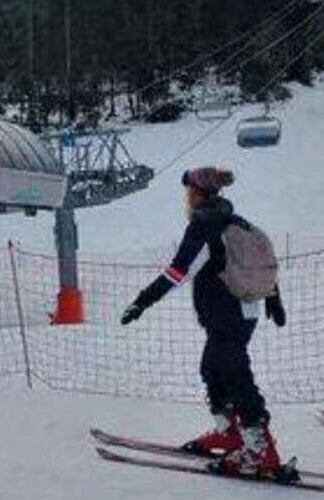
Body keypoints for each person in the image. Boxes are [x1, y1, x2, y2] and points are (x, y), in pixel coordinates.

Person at [119, 167, 288, 476]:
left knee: (235, 374)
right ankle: (230, 433)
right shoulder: (239, 223)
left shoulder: (204, 226)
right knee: (213, 368)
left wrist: (142, 301)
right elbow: (259, 264)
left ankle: (260, 449)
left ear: (196, 194)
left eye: (188, 193)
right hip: (244, 311)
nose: (187, 198)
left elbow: (177, 272)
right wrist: (273, 296)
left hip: (226, 313)